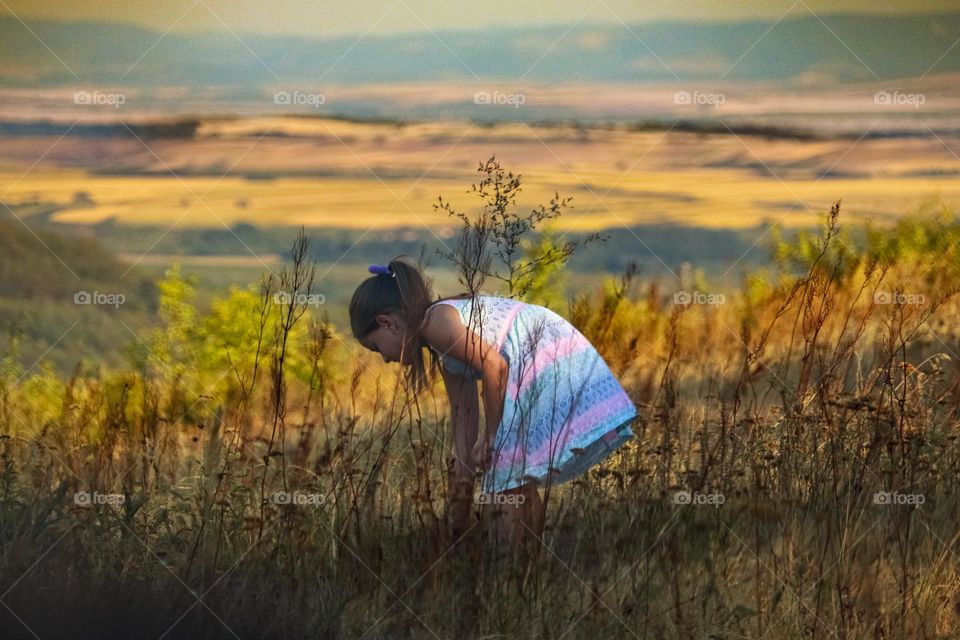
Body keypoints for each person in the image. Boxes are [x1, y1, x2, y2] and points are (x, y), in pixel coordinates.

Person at [349, 257, 638, 557]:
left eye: (375, 347)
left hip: (546, 360)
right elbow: (464, 429)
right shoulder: (444, 350)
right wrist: (460, 499)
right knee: (513, 472)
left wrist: (492, 436)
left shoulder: (435, 322)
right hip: (554, 356)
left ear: (387, 323)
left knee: (503, 471)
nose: (383, 358)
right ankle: (526, 569)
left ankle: (510, 570)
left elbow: (494, 365)